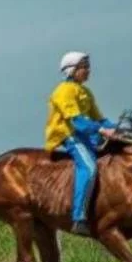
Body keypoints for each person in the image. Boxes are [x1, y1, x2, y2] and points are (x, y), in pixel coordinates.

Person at [45, 52, 118, 236]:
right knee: (89, 168)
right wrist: (102, 130)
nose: (88, 70)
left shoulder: (86, 92)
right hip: (70, 135)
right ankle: (79, 217)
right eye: (84, 67)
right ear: (72, 70)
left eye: (88, 66)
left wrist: (117, 129)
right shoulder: (64, 91)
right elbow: (76, 121)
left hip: (88, 135)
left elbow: (99, 119)